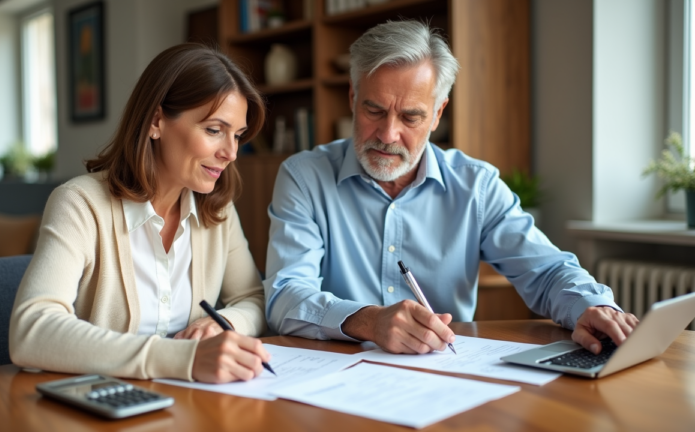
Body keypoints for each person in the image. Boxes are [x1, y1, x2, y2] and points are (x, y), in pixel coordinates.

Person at [263, 20, 639, 355]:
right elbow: (285, 296)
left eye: (411, 116)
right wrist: (369, 321)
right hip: (333, 379)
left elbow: (545, 271)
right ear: (352, 97)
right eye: (373, 110)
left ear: (438, 113)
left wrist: (592, 306)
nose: (388, 134)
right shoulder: (304, 177)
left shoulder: (476, 185)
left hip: (443, 377)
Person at [9, 43, 271, 383]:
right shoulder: (79, 204)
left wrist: (225, 323)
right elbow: (31, 330)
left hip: (192, 403)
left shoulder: (217, 210)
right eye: (213, 130)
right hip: (102, 406)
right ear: (156, 121)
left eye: (236, 136)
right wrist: (183, 358)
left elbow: (253, 298)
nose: (231, 153)